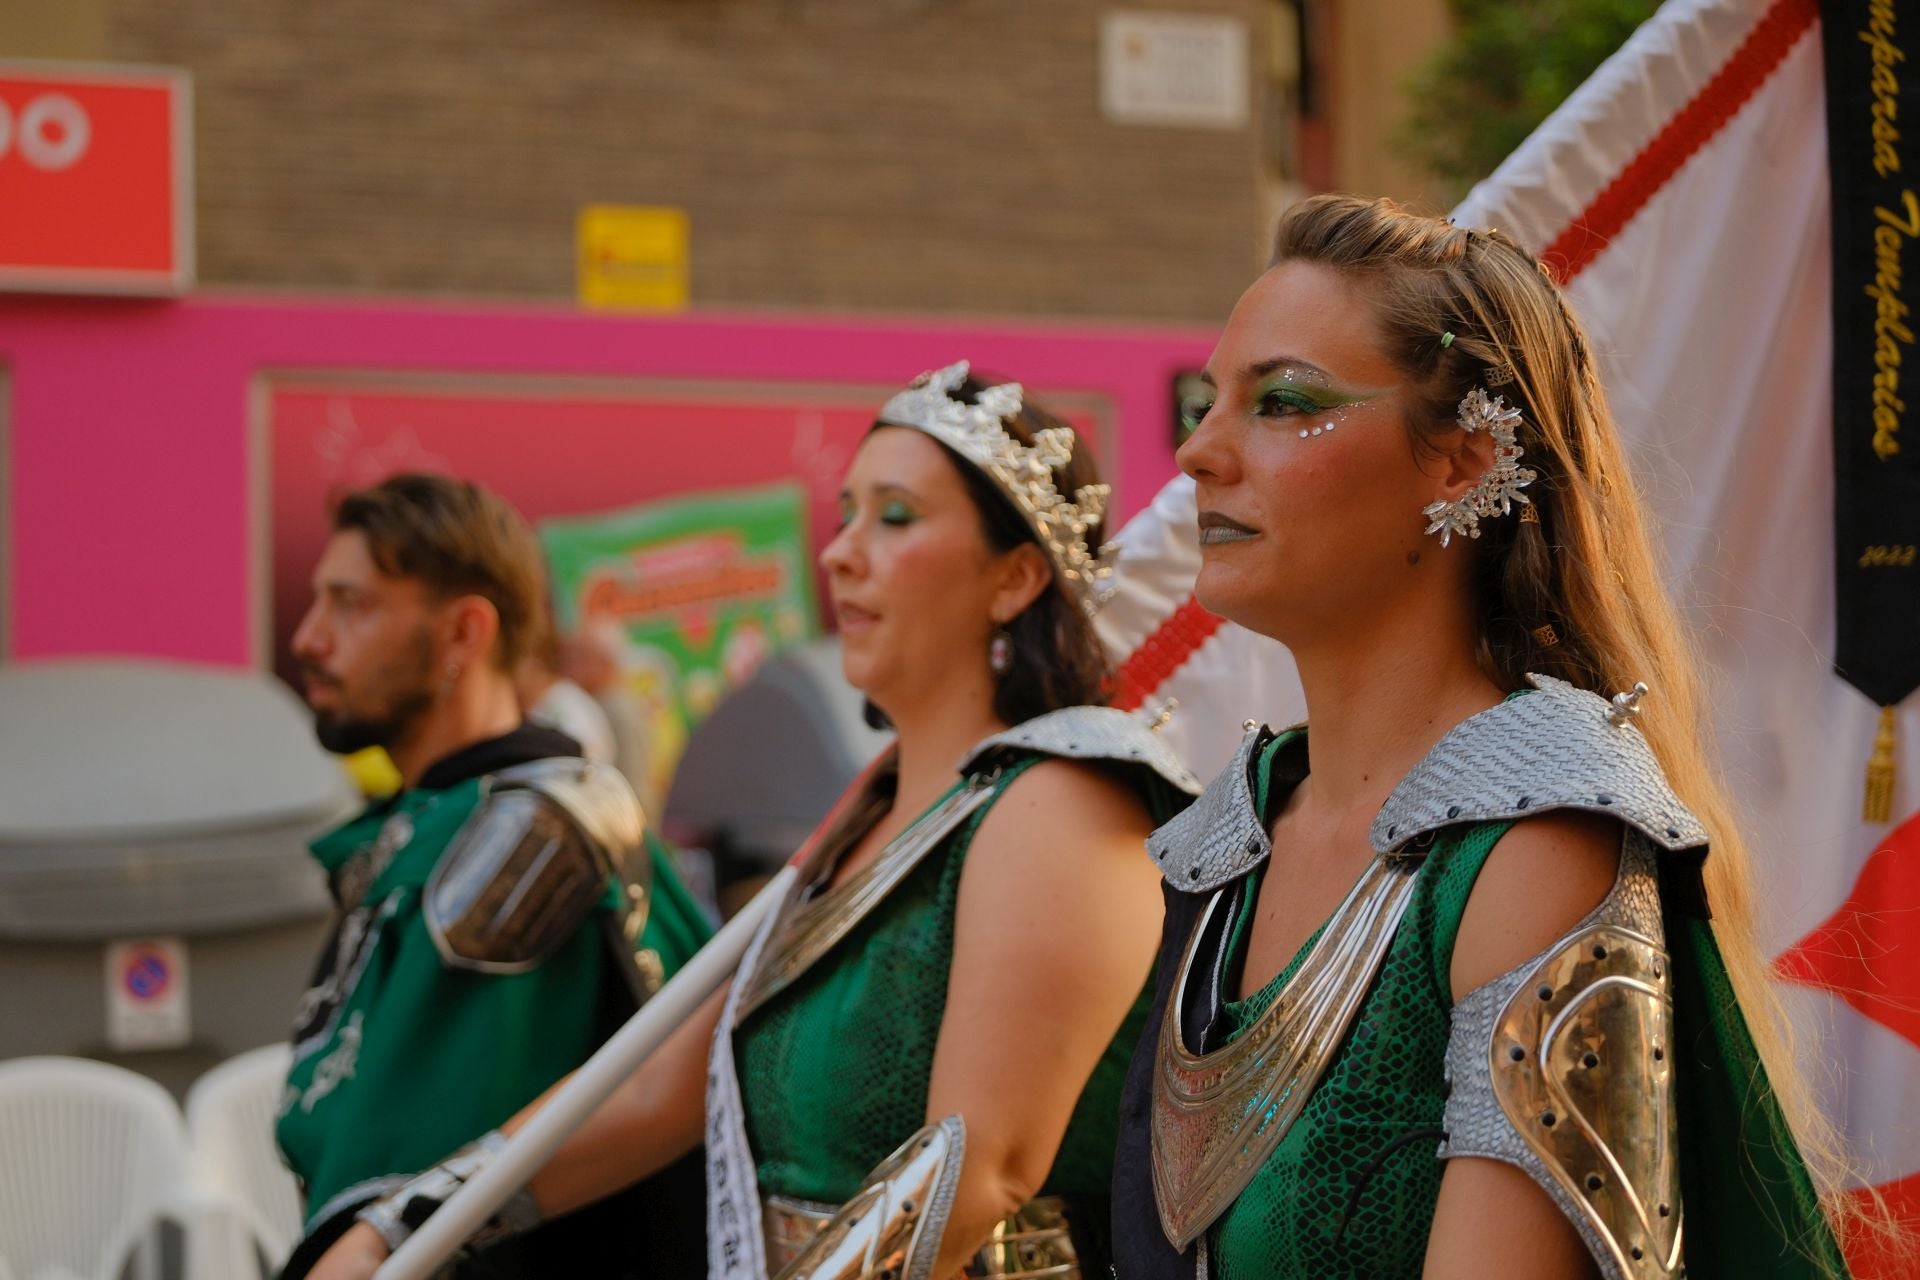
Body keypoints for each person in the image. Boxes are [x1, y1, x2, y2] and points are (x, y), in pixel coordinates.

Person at [1111, 194, 1866, 1280]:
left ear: (1461, 461)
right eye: (1204, 401)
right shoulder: (1227, 835)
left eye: (1282, 401)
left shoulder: (1536, 839)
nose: (1197, 452)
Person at [308, 363, 1200, 1280]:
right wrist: (407, 1225)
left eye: (894, 517)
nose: (840, 552)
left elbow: (977, 1171)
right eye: (846, 513)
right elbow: (655, 1086)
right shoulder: (868, 817)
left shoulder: (1058, 800)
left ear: (1014, 578)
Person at [276, 473, 713, 1278]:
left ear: (463, 635)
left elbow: (418, 1166)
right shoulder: (434, 819)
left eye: (352, 604)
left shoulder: (525, 833)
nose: (309, 638)